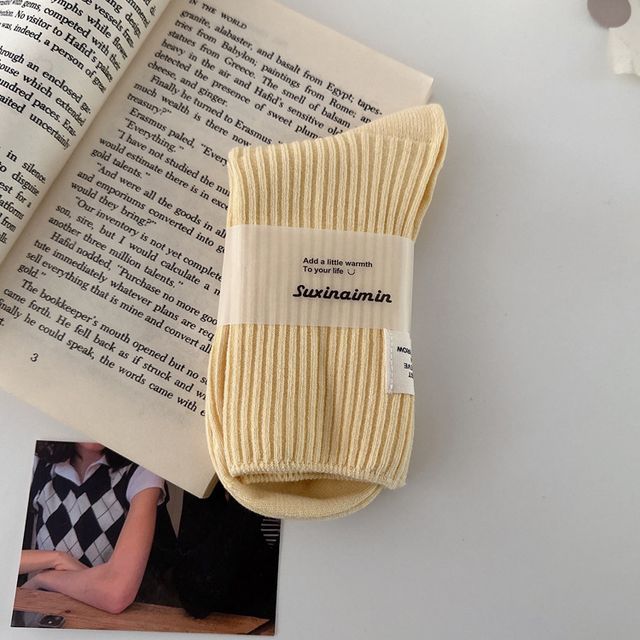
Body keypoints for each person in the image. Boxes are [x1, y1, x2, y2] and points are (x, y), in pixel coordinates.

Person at [19, 441, 167, 614]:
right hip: (41, 611)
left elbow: (115, 594)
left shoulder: (141, 471)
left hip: (100, 616)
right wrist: (57, 558)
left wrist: (45, 578)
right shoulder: (38, 462)